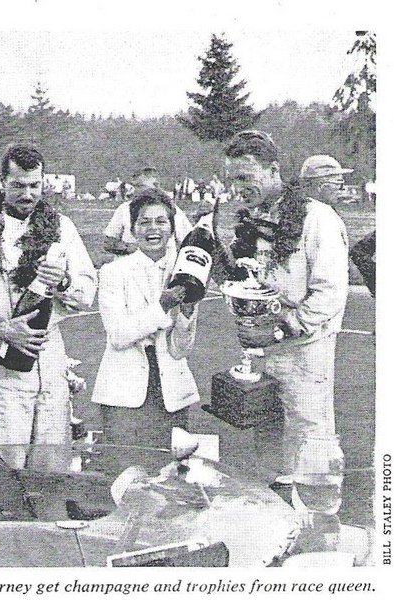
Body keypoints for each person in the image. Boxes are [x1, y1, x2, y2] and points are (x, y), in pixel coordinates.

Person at [0, 145, 97, 469]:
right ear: (2, 182)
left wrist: (64, 282)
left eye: (34, 185)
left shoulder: (62, 227)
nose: (27, 194)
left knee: (51, 467)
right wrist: (1, 327)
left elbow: (87, 292)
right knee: (2, 467)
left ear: (43, 182)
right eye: (18, 185)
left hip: (50, 358)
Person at [211, 131, 349, 486]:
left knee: (309, 441)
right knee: (267, 444)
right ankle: (273, 524)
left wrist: (284, 326)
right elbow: (246, 278)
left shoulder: (317, 217)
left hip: (305, 352)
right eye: (231, 180)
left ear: (273, 170)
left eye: (245, 177)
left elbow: (330, 292)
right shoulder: (251, 220)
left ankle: (317, 523)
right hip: (262, 351)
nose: (237, 187)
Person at [92, 187, 200, 449]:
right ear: (132, 228)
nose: (154, 229)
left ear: (172, 228)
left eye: (162, 221)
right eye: (144, 222)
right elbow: (118, 336)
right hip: (123, 394)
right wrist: (162, 306)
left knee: (171, 476)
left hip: (172, 392)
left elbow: (181, 350)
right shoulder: (113, 272)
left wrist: (187, 312)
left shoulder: (185, 271)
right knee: (126, 472)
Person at [103, 166, 192, 256]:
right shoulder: (124, 209)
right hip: (130, 267)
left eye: (140, 186)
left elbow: (188, 244)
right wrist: (129, 248)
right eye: (133, 186)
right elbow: (108, 243)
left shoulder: (174, 211)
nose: (134, 191)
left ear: (156, 185)